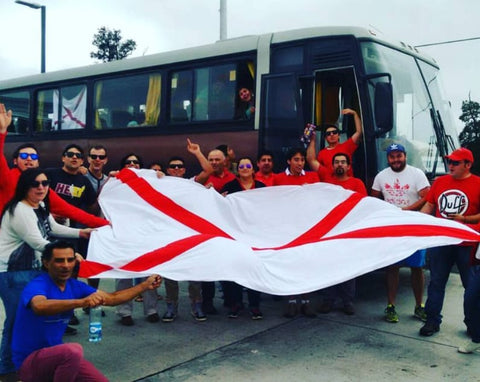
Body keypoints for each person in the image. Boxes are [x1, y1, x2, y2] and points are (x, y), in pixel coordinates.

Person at [11, 240, 161, 382]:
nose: (66, 265)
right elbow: (40, 306)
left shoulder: (74, 285)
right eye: (59, 261)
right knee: (73, 351)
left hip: (58, 358)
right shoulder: (38, 284)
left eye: (70, 260)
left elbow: (112, 298)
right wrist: (81, 302)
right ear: (46, 263)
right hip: (29, 362)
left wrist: (144, 286)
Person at [0, 168, 92, 377]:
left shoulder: (39, 206)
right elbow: (39, 242)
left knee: (31, 321)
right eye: (35, 184)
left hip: (30, 271)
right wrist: (71, 254)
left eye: (45, 183)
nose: (41, 187)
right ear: (25, 186)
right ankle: (7, 369)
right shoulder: (21, 210)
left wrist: (81, 232)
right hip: (13, 273)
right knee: (16, 321)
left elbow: (51, 229)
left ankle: (34, 364)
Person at [0, 103, 108, 229]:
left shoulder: (41, 185)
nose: (29, 159)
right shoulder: (8, 177)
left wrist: (109, 225)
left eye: (33, 157)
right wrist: (2, 133)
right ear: (15, 161)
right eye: (24, 156)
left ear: (38, 163)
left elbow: (74, 212)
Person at [419, 147, 480, 336]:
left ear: (468, 165)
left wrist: (465, 219)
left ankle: (473, 324)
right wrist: (416, 223)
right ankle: (432, 321)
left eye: (455, 162)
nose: (450, 165)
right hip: (442, 242)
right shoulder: (440, 182)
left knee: (471, 287)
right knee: (436, 282)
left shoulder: (478, 184)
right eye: (449, 162)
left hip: (467, 244)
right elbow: (429, 205)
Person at [370, 143, 430, 323]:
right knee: (392, 267)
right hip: (392, 226)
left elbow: (427, 196)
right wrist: (387, 213)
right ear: (388, 158)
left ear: (405, 156)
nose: (396, 160)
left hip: (413, 225)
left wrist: (407, 210)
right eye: (392, 157)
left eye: (399, 156)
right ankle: (391, 306)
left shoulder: (416, 174)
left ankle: (419, 306)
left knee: (416, 267)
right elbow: (373, 199)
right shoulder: (381, 176)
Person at [161, 139, 212, 323]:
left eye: (180, 167)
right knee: (170, 272)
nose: (176, 169)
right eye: (173, 167)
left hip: (190, 234)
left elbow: (208, 171)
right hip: (168, 234)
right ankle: (171, 306)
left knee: (194, 271)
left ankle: (196, 305)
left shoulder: (191, 183)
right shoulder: (160, 185)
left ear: (184, 170)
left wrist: (197, 152)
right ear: (168, 170)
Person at [318, 153, 367, 315]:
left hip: (348, 231)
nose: (340, 165)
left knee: (348, 267)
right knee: (328, 267)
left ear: (348, 166)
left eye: (343, 162)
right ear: (332, 166)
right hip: (329, 231)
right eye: (337, 162)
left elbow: (363, 206)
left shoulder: (357, 183)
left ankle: (348, 301)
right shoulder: (326, 184)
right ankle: (328, 300)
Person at [114, 152, 160, 325]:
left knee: (149, 273)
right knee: (123, 274)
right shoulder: (114, 183)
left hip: (146, 234)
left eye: (136, 162)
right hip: (123, 234)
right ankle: (124, 312)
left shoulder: (150, 182)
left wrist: (159, 178)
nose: (132, 164)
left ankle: (152, 310)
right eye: (128, 162)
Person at [273, 148, 319, 318]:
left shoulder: (312, 177)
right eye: (296, 160)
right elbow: (271, 201)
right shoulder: (278, 178)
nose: (300, 163)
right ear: (288, 161)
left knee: (306, 264)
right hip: (286, 228)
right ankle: (291, 301)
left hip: (307, 227)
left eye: (302, 160)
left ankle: (306, 301)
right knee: (290, 264)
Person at [220, 157, 265, 320]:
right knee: (237, 269)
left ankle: (254, 304)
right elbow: (220, 209)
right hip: (235, 234)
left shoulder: (262, 187)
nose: (245, 168)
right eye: (241, 166)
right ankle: (236, 303)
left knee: (254, 269)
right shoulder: (229, 187)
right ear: (237, 170)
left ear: (253, 169)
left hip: (256, 235)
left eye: (248, 165)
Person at [201, 148, 236, 314]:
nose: (214, 162)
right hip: (208, 229)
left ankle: (231, 300)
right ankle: (207, 302)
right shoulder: (204, 178)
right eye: (210, 159)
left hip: (228, 229)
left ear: (224, 161)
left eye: (217, 159)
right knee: (208, 268)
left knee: (229, 266)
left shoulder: (234, 179)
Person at [306, 108, 362, 180]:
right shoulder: (322, 153)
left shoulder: (347, 146)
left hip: (347, 184)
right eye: (328, 134)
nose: (332, 134)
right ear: (326, 138)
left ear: (339, 135)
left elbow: (359, 132)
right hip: (330, 184)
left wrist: (355, 114)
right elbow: (313, 163)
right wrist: (312, 139)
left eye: (334, 132)